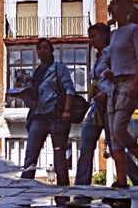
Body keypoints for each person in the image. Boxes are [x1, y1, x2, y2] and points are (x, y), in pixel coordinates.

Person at [103, 0, 138, 188]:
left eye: (115, 4)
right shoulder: (114, 34)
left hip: (129, 83)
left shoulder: (134, 30)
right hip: (114, 85)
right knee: (114, 136)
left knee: (119, 128)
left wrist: (136, 81)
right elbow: (115, 59)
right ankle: (120, 180)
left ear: (125, 8)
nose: (112, 8)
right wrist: (111, 71)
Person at [20, 38, 75, 186]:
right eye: (39, 48)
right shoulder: (36, 73)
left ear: (51, 51)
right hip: (38, 117)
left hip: (56, 116)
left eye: (45, 48)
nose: (42, 51)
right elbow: (34, 99)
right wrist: (23, 94)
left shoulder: (58, 67)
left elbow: (69, 89)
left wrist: (67, 110)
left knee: (59, 157)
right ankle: (24, 192)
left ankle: (63, 195)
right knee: (30, 156)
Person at [74, 23, 114, 186]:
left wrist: (106, 92)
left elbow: (117, 76)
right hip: (95, 105)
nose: (91, 40)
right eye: (89, 37)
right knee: (85, 146)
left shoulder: (112, 53)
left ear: (104, 36)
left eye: (94, 36)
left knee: (115, 146)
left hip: (109, 104)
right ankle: (81, 190)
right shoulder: (98, 57)